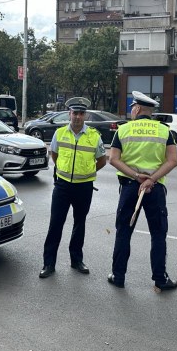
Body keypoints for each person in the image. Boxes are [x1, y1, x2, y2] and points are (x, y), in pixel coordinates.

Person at [107, 91, 177, 291]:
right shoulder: (164, 131)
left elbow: (113, 159)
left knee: (124, 232)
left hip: (130, 188)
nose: (131, 111)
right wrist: (151, 179)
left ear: (137, 109)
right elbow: (173, 160)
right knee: (158, 234)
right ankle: (160, 279)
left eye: (132, 108)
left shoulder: (123, 130)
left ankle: (118, 276)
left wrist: (136, 176)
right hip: (155, 189)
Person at [39, 97, 107, 278]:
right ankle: (48, 263)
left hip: (84, 187)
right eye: (74, 113)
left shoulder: (94, 136)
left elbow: (102, 160)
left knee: (79, 224)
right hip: (62, 186)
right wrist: (63, 170)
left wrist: (87, 171)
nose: (77, 117)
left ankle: (76, 260)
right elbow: (54, 155)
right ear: (69, 114)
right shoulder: (59, 133)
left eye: (81, 113)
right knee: (55, 224)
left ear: (85, 116)